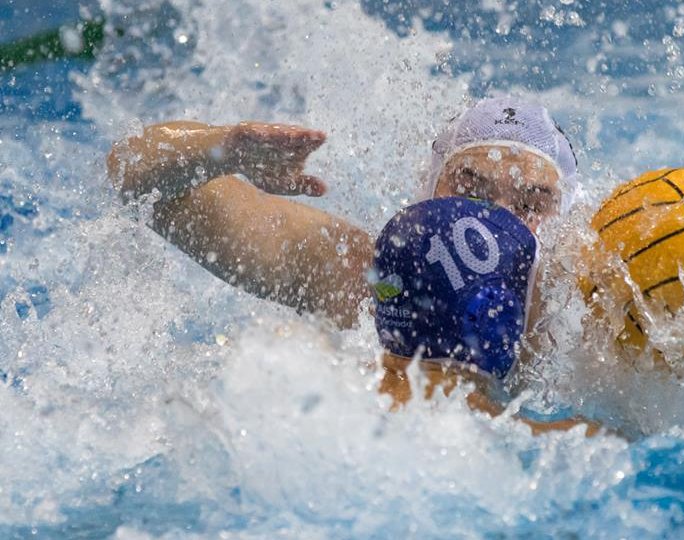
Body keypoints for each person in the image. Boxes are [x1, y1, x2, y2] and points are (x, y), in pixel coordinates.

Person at [108, 96, 598, 434]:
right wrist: (223, 150)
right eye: (470, 189)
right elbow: (129, 173)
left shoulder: (597, 323)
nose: (491, 221)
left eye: (532, 203)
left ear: (567, 227)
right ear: (426, 192)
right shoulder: (358, 274)